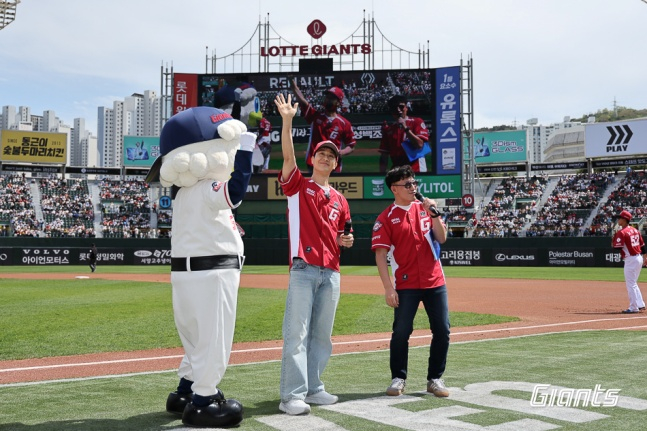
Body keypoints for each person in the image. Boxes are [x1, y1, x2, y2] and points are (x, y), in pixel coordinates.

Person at [145, 106, 255, 428]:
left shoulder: (182, 194)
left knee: (194, 337)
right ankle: (204, 401)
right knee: (213, 338)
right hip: (212, 271)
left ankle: (184, 390)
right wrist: (247, 148)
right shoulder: (207, 188)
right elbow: (235, 190)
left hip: (185, 274)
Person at [274, 92, 354, 416]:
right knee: (297, 334)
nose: (325, 158)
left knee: (322, 336)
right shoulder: (297, 187)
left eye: (331, 156)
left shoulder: (340, 199)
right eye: (321, 153)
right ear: (313, 160)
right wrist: (288, 121)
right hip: (304, 269)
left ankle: (314, 388)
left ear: (337, 164)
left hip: (331, 273)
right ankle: (290, 395)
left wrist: (345, 241)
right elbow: (288, 158)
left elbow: (344, 233)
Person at [371, 165, 450, 398]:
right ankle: (398, 378)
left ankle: (435, 379)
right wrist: (388, 288)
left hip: (435, 281)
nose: (413, 187)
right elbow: (380, 254)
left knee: (442, 330)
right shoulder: (386, 218)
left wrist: (433, 212)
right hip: (405, 284)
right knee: (401, 332)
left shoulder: (427, 208)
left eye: (414, 183)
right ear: (394, 189)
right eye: (407, 184)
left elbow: (442, 238)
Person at [291, 78, 356, 173]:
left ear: (339, 102)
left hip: (333, 166)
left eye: (332, 98)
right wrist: (291, 81)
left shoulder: (344, 123)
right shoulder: (314, 115)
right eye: (327, 97)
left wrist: (341, 152)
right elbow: (301, 100)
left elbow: (351, 145)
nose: (328, 99)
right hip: (314, 164)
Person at [379, 95, 430, 173]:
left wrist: (406, 129)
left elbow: (420, 145)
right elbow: (384, 155)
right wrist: (381, 174)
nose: (398, 110)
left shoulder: (417, 122)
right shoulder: (389, 130)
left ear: (406, 107)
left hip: (416, 170)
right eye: (394, 108)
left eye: (401, 107)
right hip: (397, 172)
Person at [611, 210, 646, 314]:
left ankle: (633, 307)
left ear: (624, 220)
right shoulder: (635, 230)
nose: (618, 219)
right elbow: (643, 246)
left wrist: (614, 240)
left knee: (630, 284)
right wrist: (645, 257)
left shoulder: (622, 232)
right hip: (638, 257)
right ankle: (640, 304)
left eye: (620, 218)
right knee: (633, 283)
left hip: (631, 259)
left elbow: (618, 247)